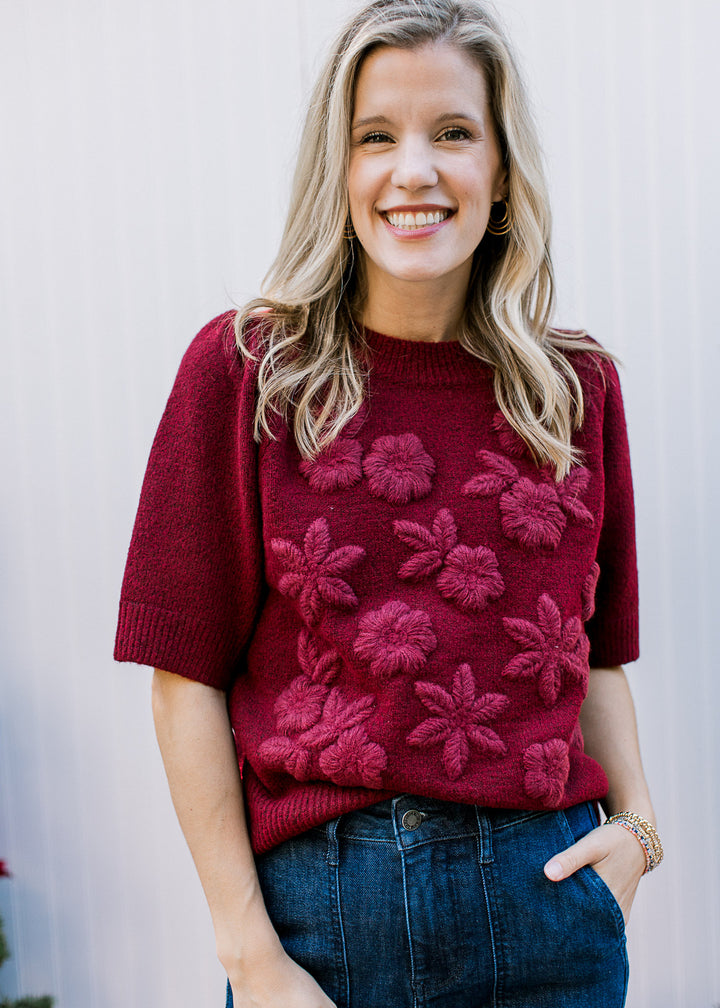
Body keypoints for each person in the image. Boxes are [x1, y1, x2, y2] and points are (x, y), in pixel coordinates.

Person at [114, 1, 663, 1005]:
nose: (415, 170)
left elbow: (600, 653)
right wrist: (249, 954)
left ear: (502, 172)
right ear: (341, 169)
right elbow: (180, 679)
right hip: (322, 928)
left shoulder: (575, 390)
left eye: (453, 132)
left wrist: (637, 833)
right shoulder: (250, 373)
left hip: (550, 912)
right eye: (376, 137)